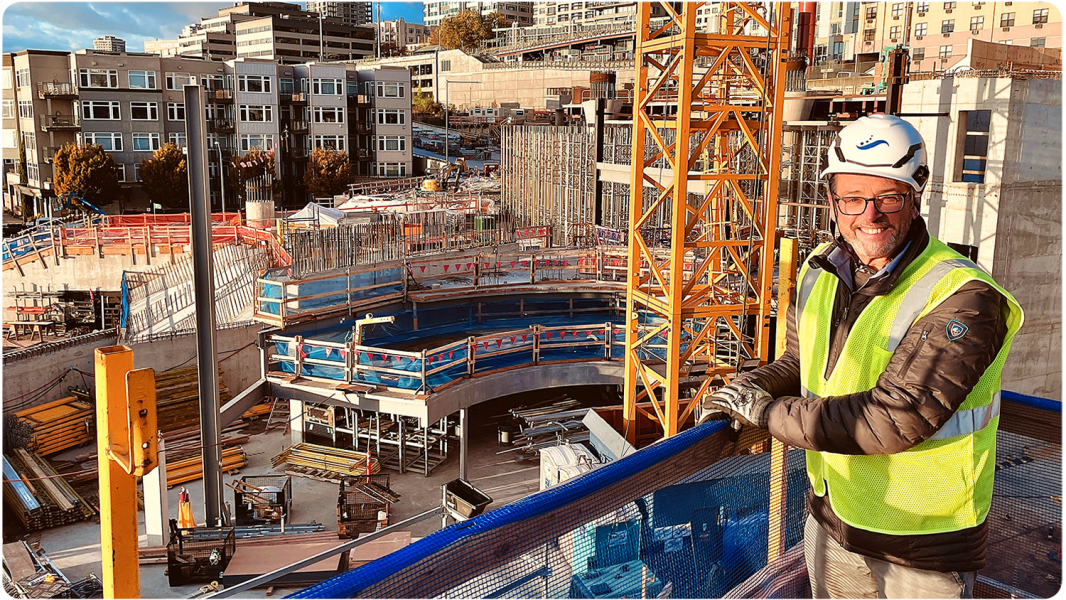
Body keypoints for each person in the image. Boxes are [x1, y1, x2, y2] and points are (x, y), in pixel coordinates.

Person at [702, 114, 1024, 600]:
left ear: (914, 199)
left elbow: (893, 420)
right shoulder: (820, 270)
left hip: (923, 543)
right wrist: (746, 392)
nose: (868, 216)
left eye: (886, 198)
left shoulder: (963, 295)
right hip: (834, 517)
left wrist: (765, 413)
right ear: (832, 202)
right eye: (852, 198)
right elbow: (802, 363)